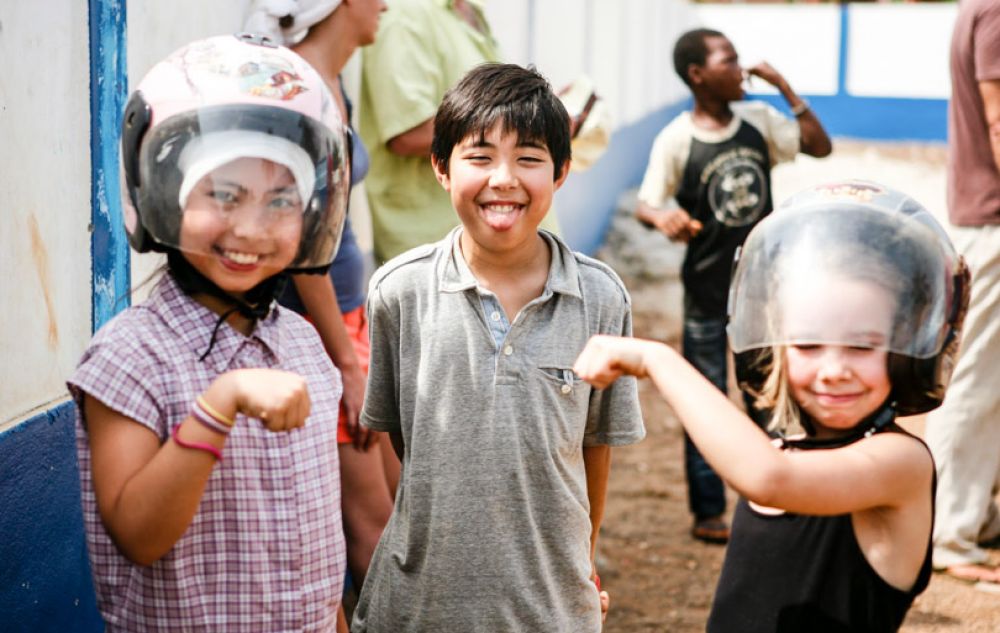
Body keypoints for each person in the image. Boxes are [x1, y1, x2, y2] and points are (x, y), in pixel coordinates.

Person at [575, 182, 970, 633]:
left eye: (863, 346)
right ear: (777, 349)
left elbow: (767, 479)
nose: (834, 369)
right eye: (808, 344)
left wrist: (656, 358)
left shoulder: (900, 464)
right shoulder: (787, 446)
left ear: (904, 353)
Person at [68, 34, 352, 631]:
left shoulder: (303, 344)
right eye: (223, 195)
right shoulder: (129, 355)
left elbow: (319, 550)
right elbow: (139, 536)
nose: (250, 227)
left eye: (281, 201)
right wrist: (219, 404)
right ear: (163, 194)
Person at [350, 63, 645, 632]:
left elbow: (594, 448)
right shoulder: (399, 291)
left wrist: (576, 564)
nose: (504, 179)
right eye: (479, 157)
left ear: (561, 172)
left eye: (529, 158)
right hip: (417, 608)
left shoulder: (600, 298)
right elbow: (402, 439)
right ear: (441, 167)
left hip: (550, 607)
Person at [634, 28, 832, 543]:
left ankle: (772, 493)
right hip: (705, 289)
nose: (741, 67)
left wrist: (785, 88)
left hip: (763, 290)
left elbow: (819, 146)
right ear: (698, 74)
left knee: (768, 394)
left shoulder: (759, 121)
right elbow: (646, 204)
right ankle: (708, 510)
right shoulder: (677, 138)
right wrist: (664, 219)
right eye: (729, 59)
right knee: (706, 398)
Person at [243, 0, 398, 591]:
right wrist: (346, 366)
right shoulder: (293, 91)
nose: (385, 4)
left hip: (348, 318)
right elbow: (305, 247)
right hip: (316, 327)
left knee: (397, 497)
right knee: (373, 523)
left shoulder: (335, 82)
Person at [358, 0, 558, 263]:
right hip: (445, 252)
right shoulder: (404, 15)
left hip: (512, 245)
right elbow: (408, 134)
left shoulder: (467, 10)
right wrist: (534, 127)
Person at [923, 0, 1000, 585]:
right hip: (993, 223)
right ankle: (950, 531)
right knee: (975, 381)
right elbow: (999, 119)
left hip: (985, 221)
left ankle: (976, 514)